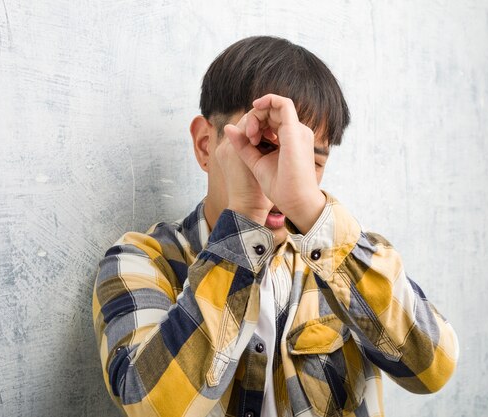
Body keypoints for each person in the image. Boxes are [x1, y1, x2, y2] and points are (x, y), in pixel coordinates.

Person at [92, 36, 459, 417]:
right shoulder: (141, 263)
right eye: (265, 148)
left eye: (309, 162)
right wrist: (246, 216)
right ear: (205, 145)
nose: (280, 177)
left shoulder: (343, 263)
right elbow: (150, 407)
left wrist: (308, 206)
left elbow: (433, 368)